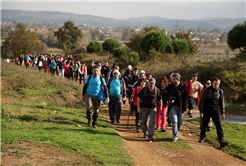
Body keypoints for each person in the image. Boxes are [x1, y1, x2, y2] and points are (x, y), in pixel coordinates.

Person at [198, 77, 229, 148]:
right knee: (204, 125)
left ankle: (221, 141)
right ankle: (202, 137)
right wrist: (201, 111)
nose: (216, 86)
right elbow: (202, 101)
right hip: (206, 110)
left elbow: (222, 103)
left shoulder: (220, 91)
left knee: (219, 126)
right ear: (212, 83)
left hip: (216, 110)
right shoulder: (206, 90)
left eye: (218, 84)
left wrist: (222, 113)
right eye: (215, 84)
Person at [167, 73, 188, 142]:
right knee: (174, 121)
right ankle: (175, 136)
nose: (172, 80)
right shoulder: (170, 86)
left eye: (174, 79)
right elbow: (167, 96)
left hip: (181, 107)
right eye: (171, 79)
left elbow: (185, 98)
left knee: (179, 122)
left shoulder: (184, 86)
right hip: (173, 106)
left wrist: (185, 108)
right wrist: (170, 99)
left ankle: (176, 131)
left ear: (178, 79)